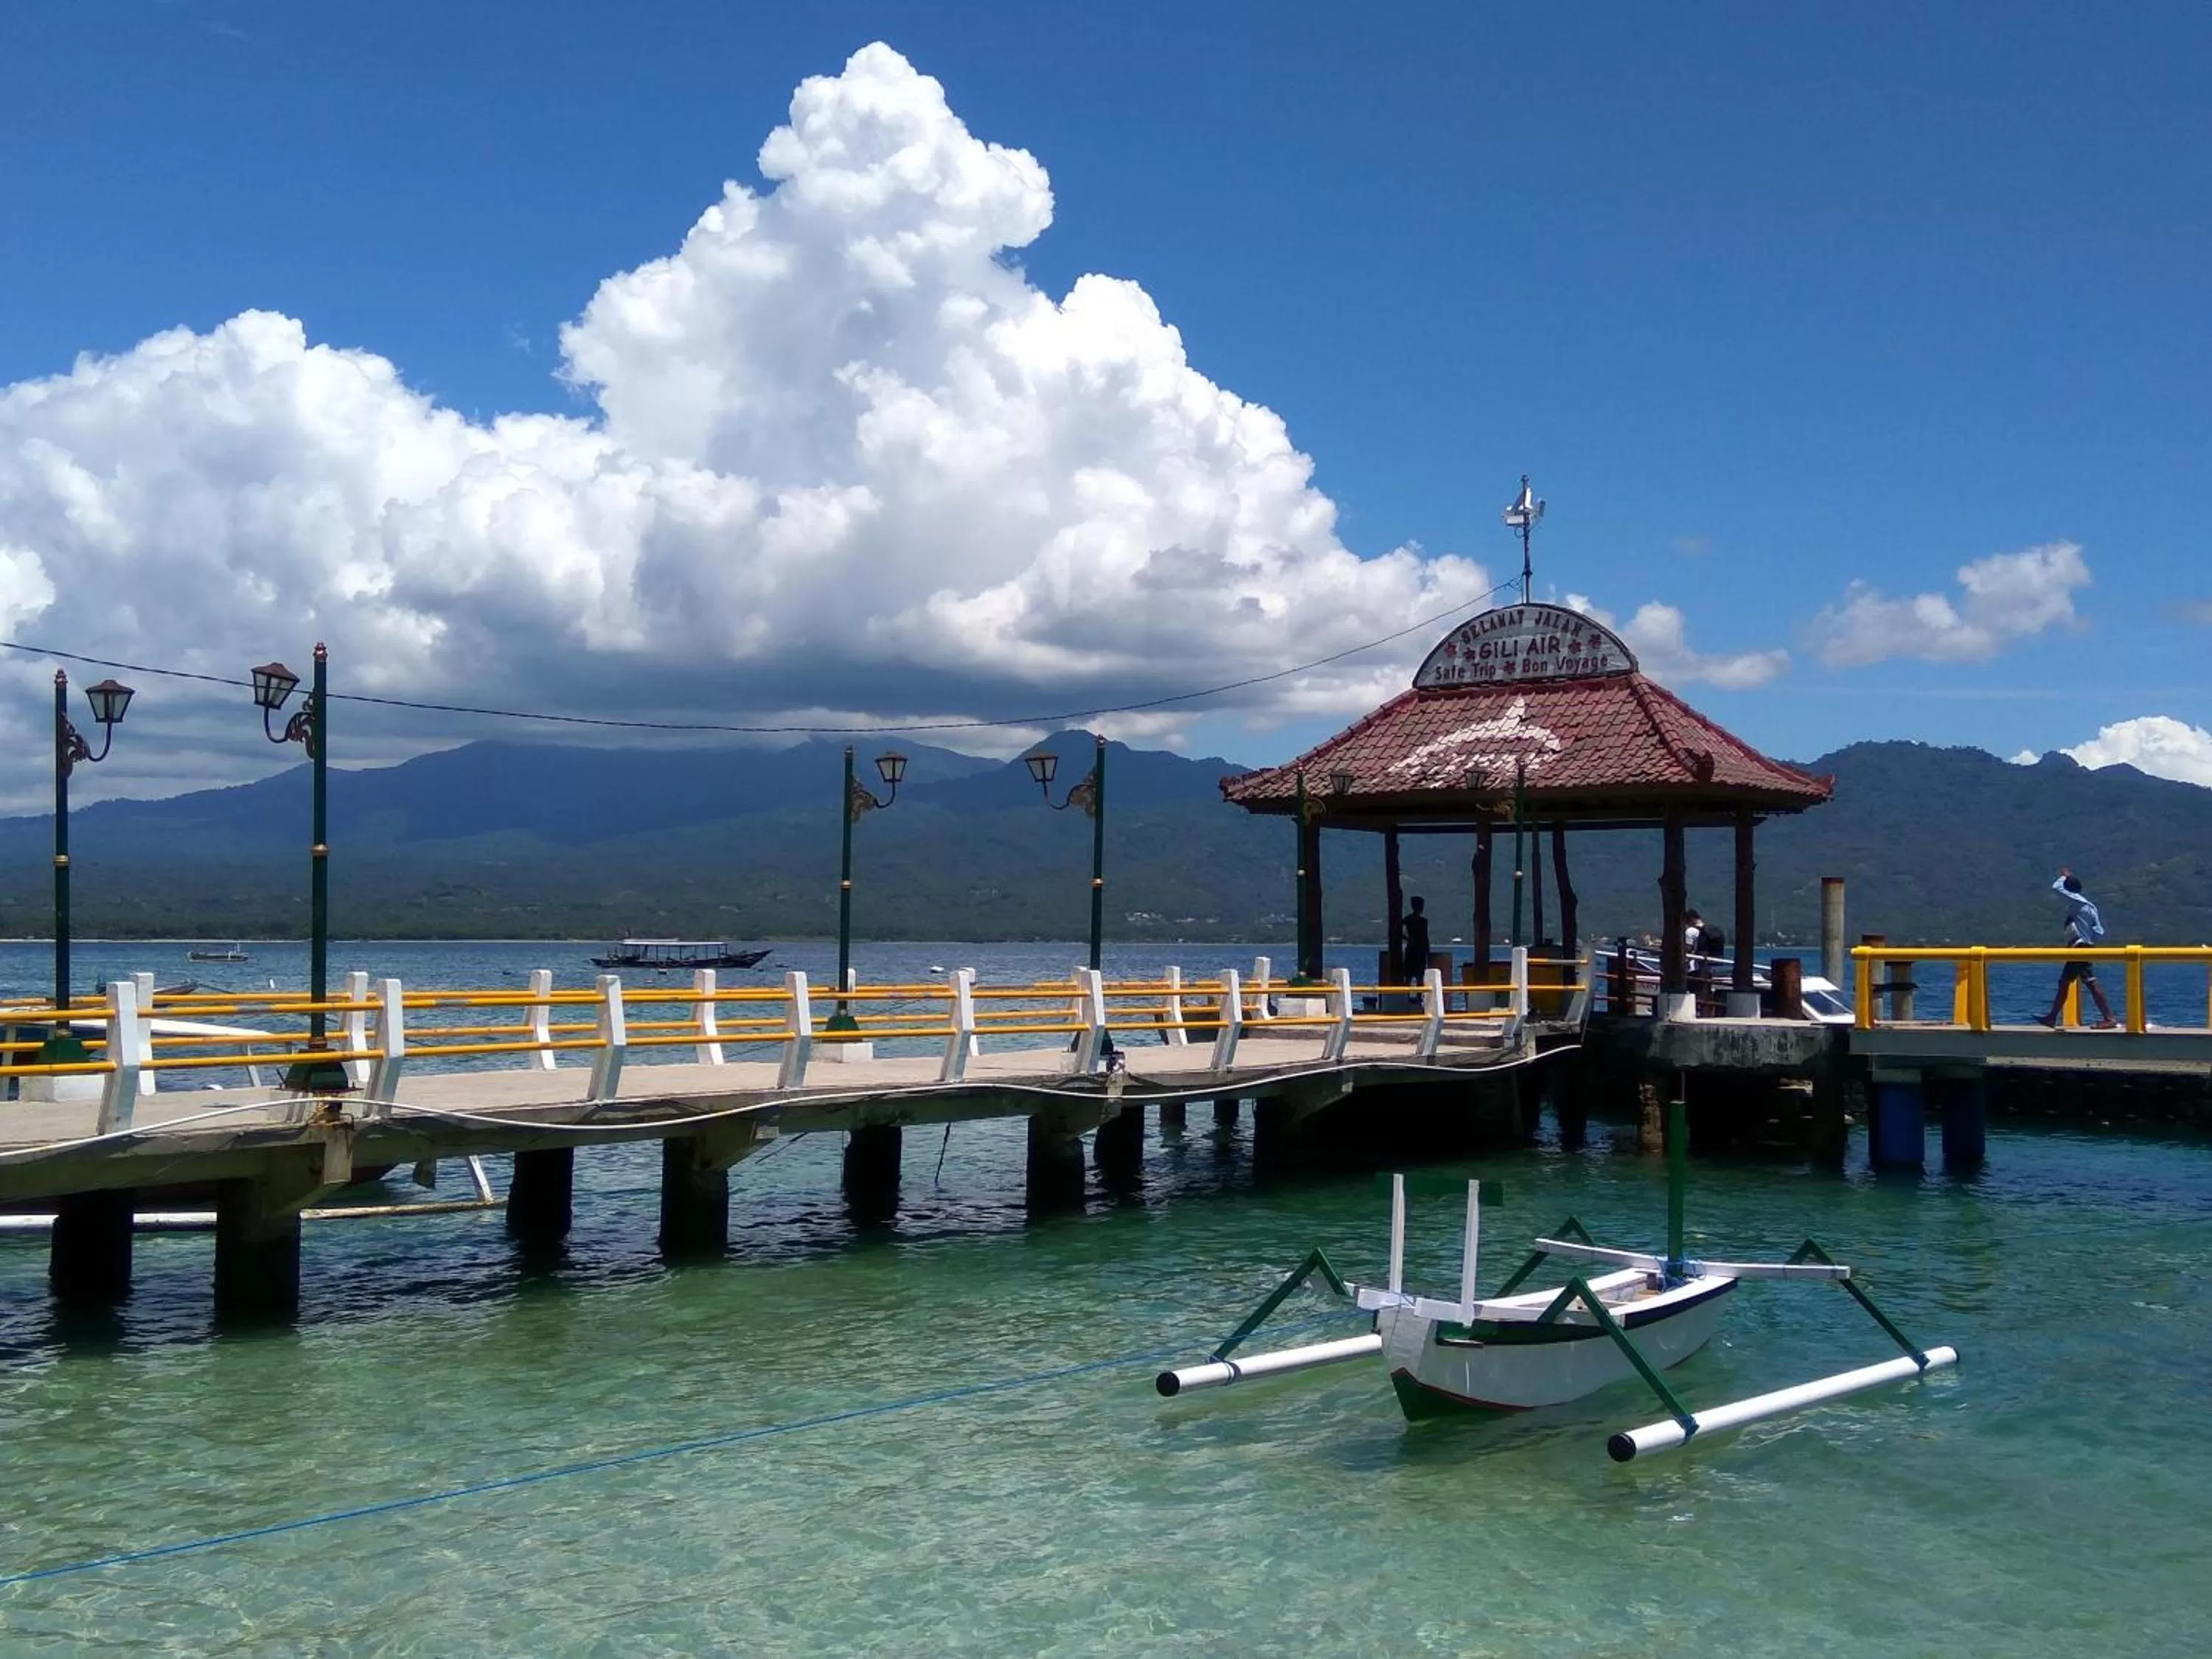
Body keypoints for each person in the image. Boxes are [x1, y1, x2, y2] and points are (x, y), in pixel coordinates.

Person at [2038, 866, 2117, 1029]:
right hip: (2083, 946)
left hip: (2078, 947)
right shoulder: (2090, 907)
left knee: (2090, 982)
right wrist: (2091, 943)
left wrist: (2065, 877)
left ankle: (2109, 1018)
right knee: (2065, 981)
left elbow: (2057, 888)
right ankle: (2052, 1017)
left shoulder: (2076, 901)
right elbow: (2099, 930)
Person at [1401, 896, 1432, 984]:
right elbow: (1425, 937)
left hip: (1414, 949)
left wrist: (1408, 939)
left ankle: (1412, 995)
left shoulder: (1408, 919)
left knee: (1411, 976)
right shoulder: (1421, 921)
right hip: (1418, 950)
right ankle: (1418, 996)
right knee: (1417, 976)